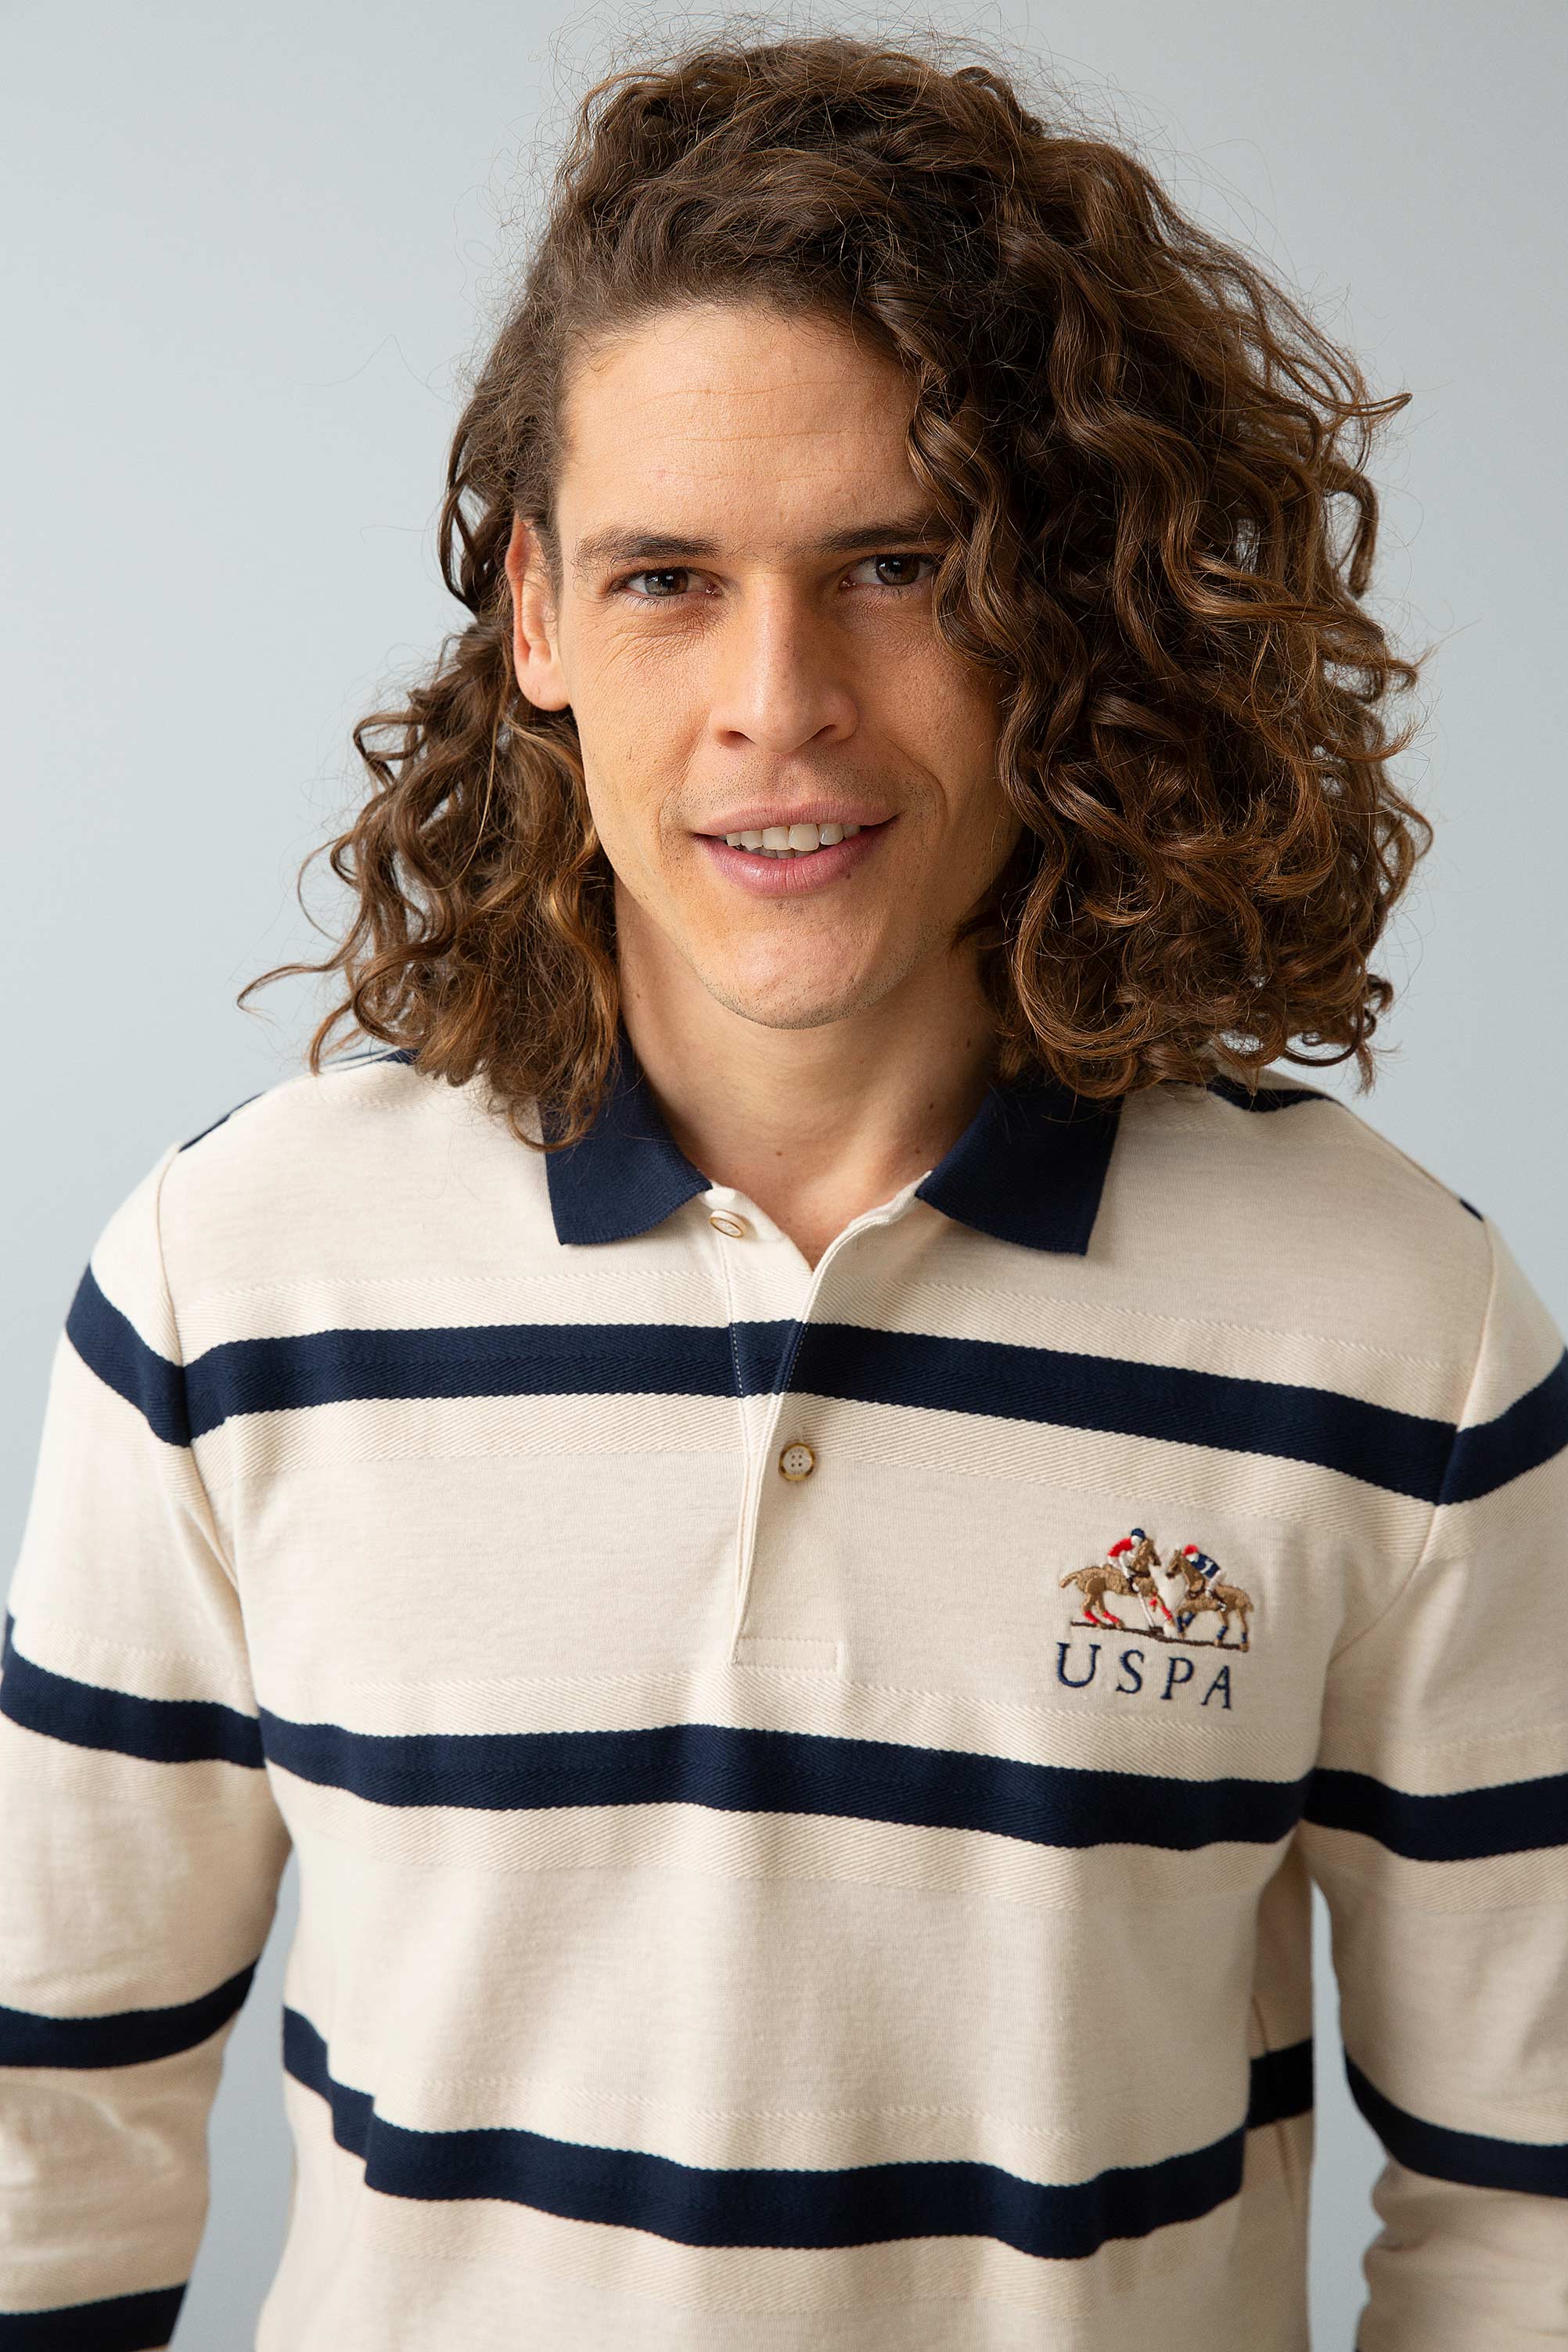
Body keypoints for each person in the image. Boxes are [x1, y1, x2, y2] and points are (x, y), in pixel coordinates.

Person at [2, 30, 1563, 2352]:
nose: (778, 700)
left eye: (895, 567)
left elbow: (1525, 2214)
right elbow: (47, 2148)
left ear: (1062, 597)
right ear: (534, 619)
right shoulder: (231, 1286)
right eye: (666, 578)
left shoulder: (1396, 1331)